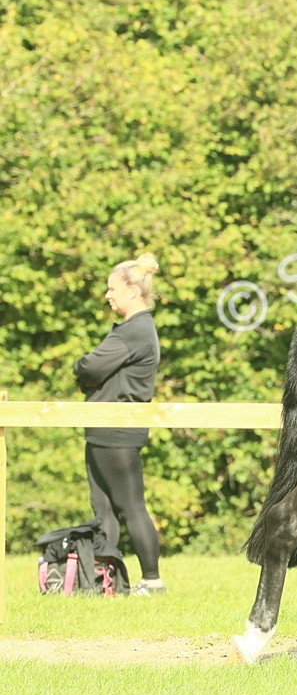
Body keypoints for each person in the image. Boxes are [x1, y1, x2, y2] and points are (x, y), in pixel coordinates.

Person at [72, 252, 166, 596]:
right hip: (105, 428)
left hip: (117, 430)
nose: (107, 295)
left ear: (132, 291)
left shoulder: (134, 331)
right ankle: (104, 580)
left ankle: (153, 581)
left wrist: (82, 371)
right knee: (103, 508)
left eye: (112, 289)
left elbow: (89, 368)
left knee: (130, 506)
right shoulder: (135, 329)